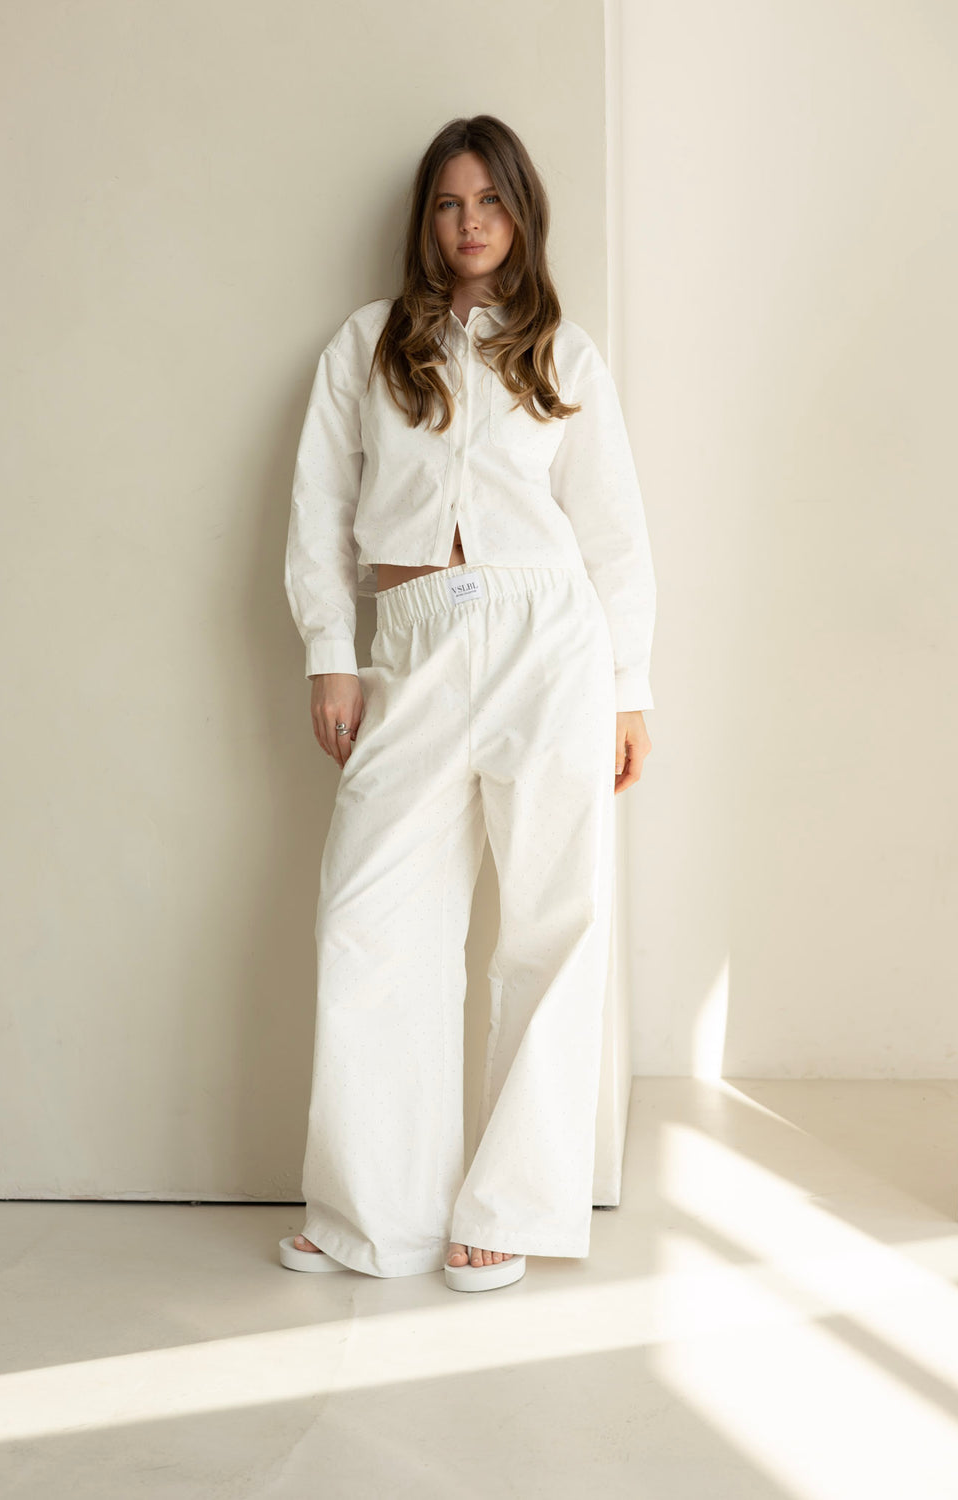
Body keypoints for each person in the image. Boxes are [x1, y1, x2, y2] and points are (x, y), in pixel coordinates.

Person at [278, 115, 656, 1293]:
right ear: (425, 221)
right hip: (413, 641)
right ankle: (371, 1211)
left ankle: (511, 1205)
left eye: (489, 199)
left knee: (553, 921)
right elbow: (317, 508)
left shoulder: (563, 355)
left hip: (551, 640)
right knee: (369, 919)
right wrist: (331, 651)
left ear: (519, 213)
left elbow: (613, 534)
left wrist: (627, 690)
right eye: (448, 202)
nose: (469, 221)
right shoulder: (367, 346)